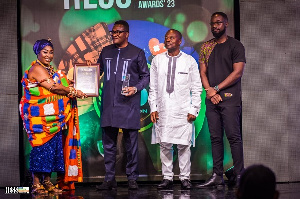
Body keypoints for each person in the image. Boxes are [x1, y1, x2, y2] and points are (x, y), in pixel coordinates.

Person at [19, 39, 87, 195]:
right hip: (38, 118)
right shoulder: (36, 68)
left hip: (53, 119)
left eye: (51, 52)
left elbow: (60, 82)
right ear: (37, 52)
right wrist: (74, 91)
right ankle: (36, 184)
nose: (49, 55)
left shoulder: (49, 69)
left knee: (52, 149)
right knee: (41, 149)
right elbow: (53, 87)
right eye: (45, 52)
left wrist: (77, 79)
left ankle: (47, 182)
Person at [95, 20, 150, 190]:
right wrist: (83, 81)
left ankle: (132, 178)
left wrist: (136, 88)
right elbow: (97, 72)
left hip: (128, 105)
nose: (115, 35)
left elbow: (145, 77)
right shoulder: (106, 51)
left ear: (127, 34)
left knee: (130, 145)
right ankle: (109, 179)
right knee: (109, 145)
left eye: (119, 32)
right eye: (113, 32)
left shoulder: (137, 52)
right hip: (109, 106)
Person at [196, 12, 246, 188]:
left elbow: (237, 73)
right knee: (215, 137)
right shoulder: (206, 47)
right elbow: (202, 72)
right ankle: (217, 175)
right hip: (212, 99)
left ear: (226, 23)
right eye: (212, 24)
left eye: (218, 23)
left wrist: (216, 89)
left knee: (233, 137)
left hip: (230, 99)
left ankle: (240, 175)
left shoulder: (236, 45)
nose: (215, 26)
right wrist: (209, 91)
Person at [148, 29, 202, 190]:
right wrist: (153, 107)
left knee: (183, 145)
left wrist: (194, 109)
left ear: (179, 41)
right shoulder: (157, 60)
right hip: (163, 109)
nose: (168, 40)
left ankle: (185, 178)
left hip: (183, 110)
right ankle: (167, 177)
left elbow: (197, 88)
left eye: (172, 38)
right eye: (166, 38)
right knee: (164, 144)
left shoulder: (189, 61)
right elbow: (153, 88)